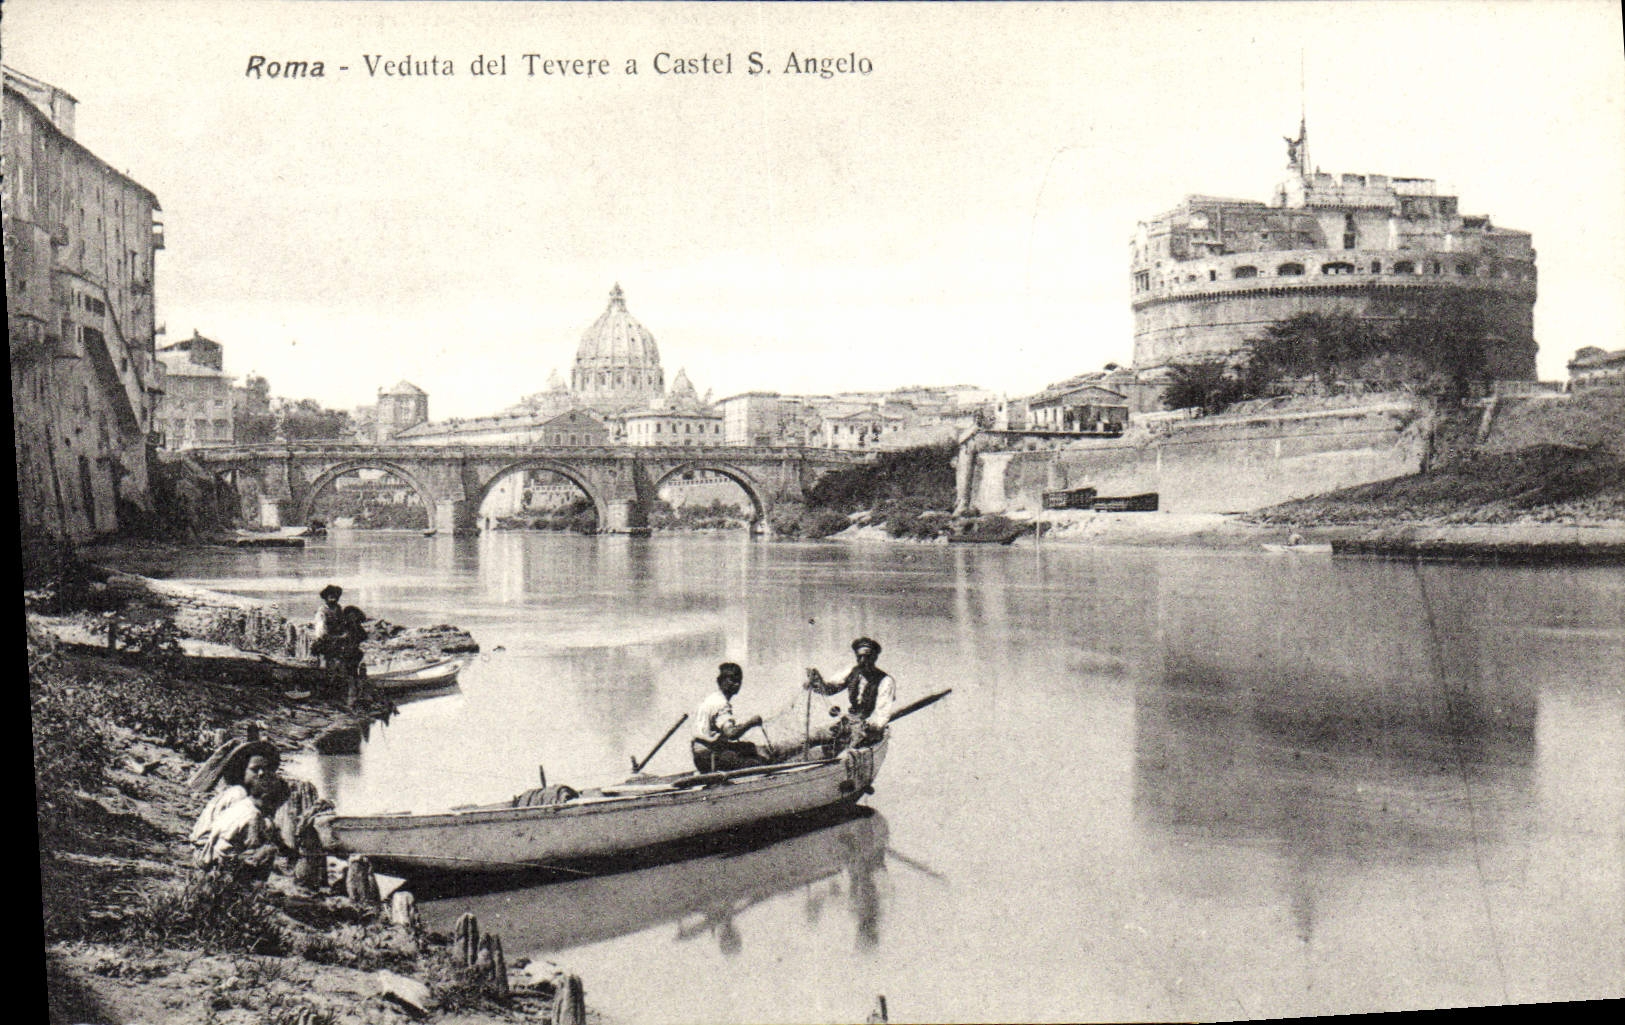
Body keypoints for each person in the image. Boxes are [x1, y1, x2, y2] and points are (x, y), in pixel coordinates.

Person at [189, 741, 290, 877]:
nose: (261, 773)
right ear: (242, 770)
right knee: (266, 852)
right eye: (255, 769)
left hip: (213, 848)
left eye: (266, 769)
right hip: (206, 850)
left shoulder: (249, 795)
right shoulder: (238, 794)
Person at [805, 637, 896, 748]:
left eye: (867, 657)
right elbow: (830, 689)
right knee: (813, 736)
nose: (863, 660)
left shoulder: (886, 681)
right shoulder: (852, 672)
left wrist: (869, 727)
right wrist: (817, 682)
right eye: (859, 657)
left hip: (868, 728)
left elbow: (881, 715)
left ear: (874, 657)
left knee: (849, 750)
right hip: (849, 722)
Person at [691, 662, 768, 772]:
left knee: (749, 747)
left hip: (699, 757)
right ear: (721, 681)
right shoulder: (721, 704)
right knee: (760, 762)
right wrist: (751, 722)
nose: (737, 684)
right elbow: (731, 734)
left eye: (739, 680)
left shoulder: (711, 699)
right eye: (732, 680)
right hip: (710, 757)